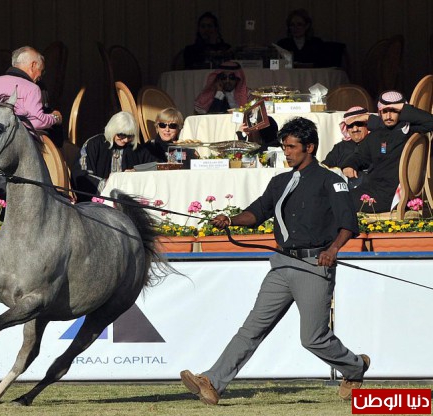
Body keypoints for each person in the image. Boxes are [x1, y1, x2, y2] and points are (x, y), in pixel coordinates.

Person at [180, 117, 369, 405]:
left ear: (310, 147)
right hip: (281, 265)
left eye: (292, 147)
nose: (287, 152)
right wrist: (230, 219)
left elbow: (348, 223)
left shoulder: (331, 181)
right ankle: (212, 381)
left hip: (314, 265)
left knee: (313, 338)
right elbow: (257, 213)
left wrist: (333, 250)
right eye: (284, 147)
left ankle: (354, 367)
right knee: (252, 328)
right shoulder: (279, 181)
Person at [341, 91, 433, 212]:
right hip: (372, 189)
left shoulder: (410, 131)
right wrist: (349, 164)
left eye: (394, 111)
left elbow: (429, 121)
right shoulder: (376, 134)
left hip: (390, 195)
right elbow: (360, 155)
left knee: (340, 202)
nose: (388, 116)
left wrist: (402, 107)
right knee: (336, 195)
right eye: (385, 111)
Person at [0, 46, 63, 147]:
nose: (40, 76)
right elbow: (38, 122)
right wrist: (55, 118)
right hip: (16, 145)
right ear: (33, 65)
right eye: (41, 71)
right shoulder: (32, 88)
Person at [73, 112, 153, 202]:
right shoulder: (94, 144)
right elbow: (81, 174)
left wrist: (137, 171)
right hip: (96, 204)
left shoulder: (137, 149)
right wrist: (107, 183)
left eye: (130, 136)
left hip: (129, 204)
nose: (126, 140)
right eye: (122, 135)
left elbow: (155, 167)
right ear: (112, 130)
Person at [322, 106, 370, 189]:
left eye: (359, 124)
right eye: (350, 125)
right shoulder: (340, 147)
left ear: (367, 125)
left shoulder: (376, 144)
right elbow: (325, 167)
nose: (355, 129)